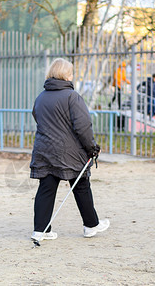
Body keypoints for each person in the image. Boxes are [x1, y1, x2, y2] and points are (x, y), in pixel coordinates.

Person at [30, 58, 110, 242]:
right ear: (65, 75)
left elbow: (37, 117)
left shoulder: (41, 97)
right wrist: (92, 148)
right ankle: (91, 225)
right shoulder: (72, 96)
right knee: (81, 185)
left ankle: (40, 230)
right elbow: (83, 126)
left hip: (44, 149)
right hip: (69, 152)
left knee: (46, 187)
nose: (72, 76)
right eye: (71, 73)